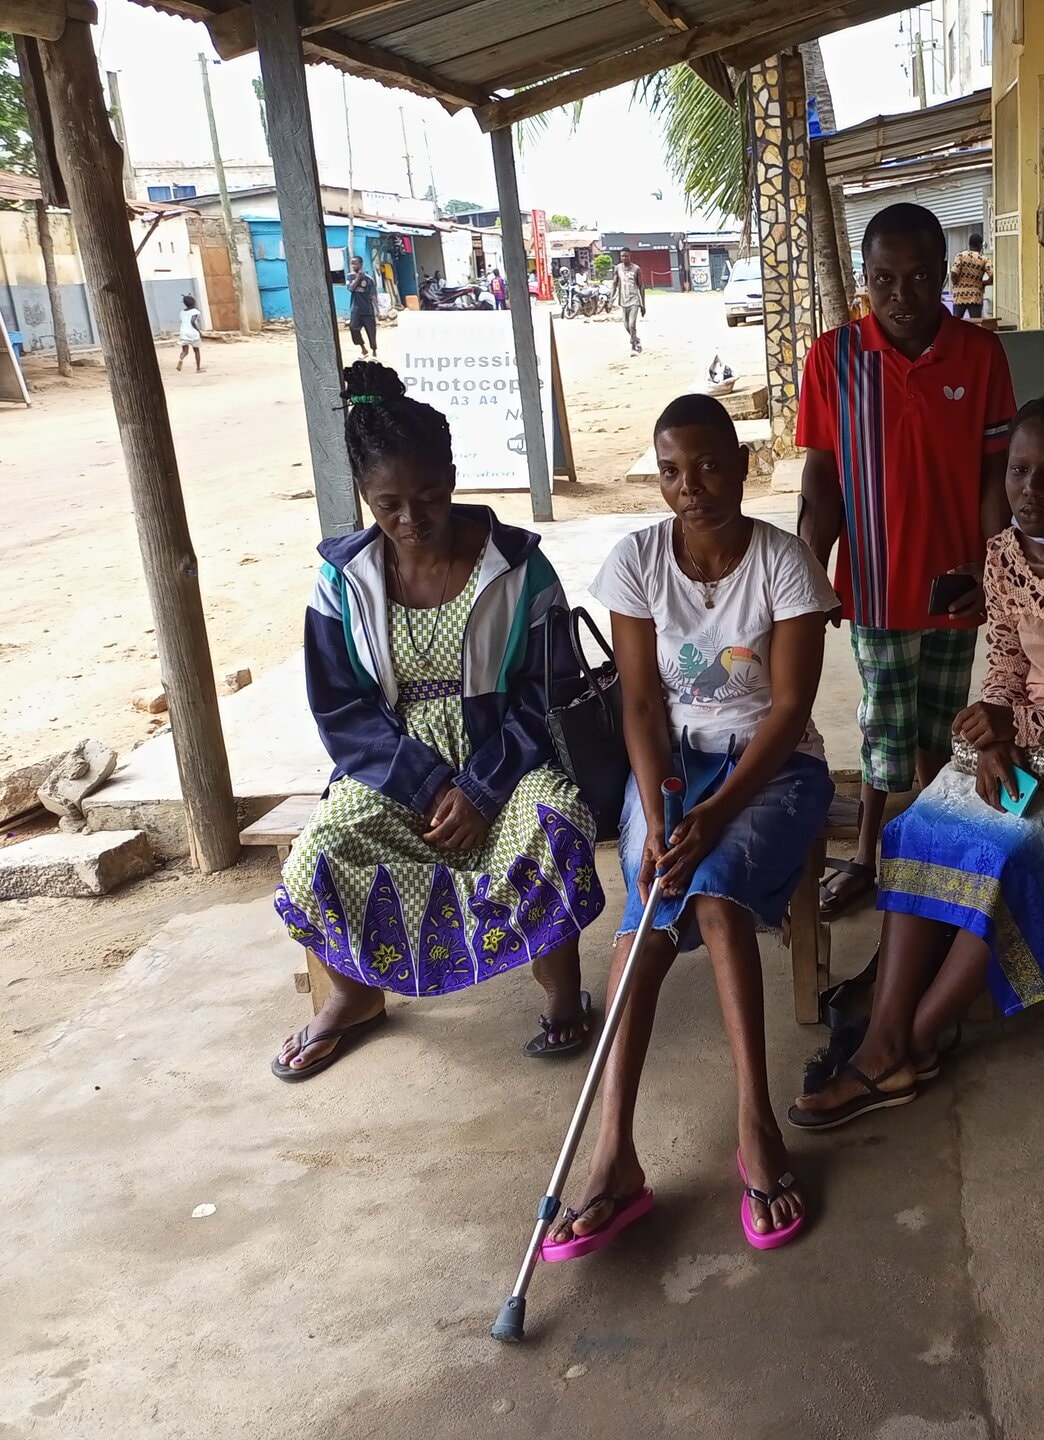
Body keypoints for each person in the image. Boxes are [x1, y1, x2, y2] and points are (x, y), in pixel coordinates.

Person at [790, 392, 1044, 1129]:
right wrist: (998, 737)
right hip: (1023, 740)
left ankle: (909, 1040)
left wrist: (1018, 722)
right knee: (919, 830)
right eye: (1020, 471)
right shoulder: (1002, 556)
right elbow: (1003, 668)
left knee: (1012, 851)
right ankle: (888, 1036)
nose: (1031, 492)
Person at [540, 394, 837, 1257]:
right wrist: (662, 806)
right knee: (644, 924)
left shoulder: (784, 563)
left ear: (742, 467)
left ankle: (754, 1126)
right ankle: (613, 1156)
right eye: (671, 470)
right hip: (668, 771)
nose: (691, 486)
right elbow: (638, 702)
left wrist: (711, 814)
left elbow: (789, 709)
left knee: (708, 898)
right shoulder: (636, 560)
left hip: (773, 767)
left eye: (709, 466)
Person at [271, 360, 605, 1081]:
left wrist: (483, 788)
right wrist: (425, 785)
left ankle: (559, 988)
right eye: (388, 504)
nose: (411, 520)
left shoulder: (518, 569)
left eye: (428, 496)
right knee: (322, 854)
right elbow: (340, 708)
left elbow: (548, 693)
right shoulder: (342, 582)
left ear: (454, 476)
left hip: (506, 761)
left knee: (556, 826)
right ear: (364, 495)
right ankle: (355, 997)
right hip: (393, 770)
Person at [798, 202, 1017, 919]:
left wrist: (993, 572)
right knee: (883, 730)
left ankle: (927, 846)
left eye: (920, 277)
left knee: (944, 723)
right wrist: (809, 568)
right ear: (864, 278)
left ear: (944, 276)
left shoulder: (980, 356)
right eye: (885, 279)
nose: (902, 295)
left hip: (957, 585)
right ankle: (867, 855)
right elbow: (822, 477)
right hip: (877, 588)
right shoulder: (832, 359)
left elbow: (994, 478)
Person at [949, 232, 992, 320]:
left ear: (969, 244)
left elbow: (953, 273)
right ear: (980, 245)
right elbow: (993, 275)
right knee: (976, 324)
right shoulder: (984, 259)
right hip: (975, 295)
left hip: (959, 295)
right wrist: (984, 283)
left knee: (956, 323)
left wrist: (956, 283)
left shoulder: (960, 256)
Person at [611, 250, 645, 354]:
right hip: (623, 300)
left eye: (626, 256)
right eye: (622, 256)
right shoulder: (618, 268)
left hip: (634, 300)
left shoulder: (636, 269)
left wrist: (643, 304)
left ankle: (633, 346)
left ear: (630, 256)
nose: (624, 258)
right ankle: (636, 340)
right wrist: (611, 299)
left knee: (631, 324)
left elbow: (641, 286)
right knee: (626, 325)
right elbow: (614, 284)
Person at [346, 256, 378, 359]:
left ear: (360, 264)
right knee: (353, 328)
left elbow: (373, 295)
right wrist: (358, 277)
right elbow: (351, 288)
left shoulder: (369, 279)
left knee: (371, 332)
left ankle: (374, 350)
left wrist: (377, 309)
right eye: (352, 263)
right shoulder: (350, 277)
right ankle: (363, 347)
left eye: (355, 263)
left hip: (368, 310)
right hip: (356, 310)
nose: (353, 265)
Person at [175, 293, 204, 372]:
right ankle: (198, 368)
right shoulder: (195, 311)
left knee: (185, 351)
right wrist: (198, 331)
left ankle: (181, 359)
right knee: (196, 350)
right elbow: (192, 321)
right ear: (193, 302)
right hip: (193, 333)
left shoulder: (182, 312)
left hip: (183, 332)